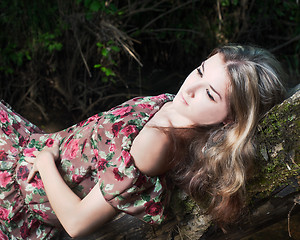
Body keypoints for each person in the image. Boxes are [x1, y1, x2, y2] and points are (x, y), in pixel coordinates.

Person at [0, 44, 286, 239]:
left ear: (230, 120)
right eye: (200, 70)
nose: (191, 88)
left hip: (21, 190)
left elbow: (76, 224)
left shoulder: (155, 145)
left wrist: (46, 161)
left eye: (211, 94)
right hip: (35, 148)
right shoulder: (177, 108)